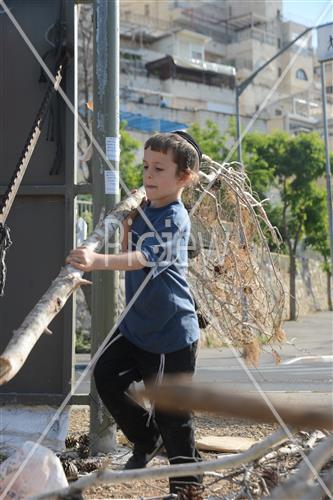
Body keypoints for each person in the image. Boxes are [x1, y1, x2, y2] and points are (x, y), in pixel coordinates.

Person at [66, 131, 203, 494]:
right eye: (145, 167)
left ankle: (187, 485)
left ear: (184, 178)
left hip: (170, 333)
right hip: (137, 326)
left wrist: (96, 261)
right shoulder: (146, 209)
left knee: (172, 412)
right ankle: (146, 439)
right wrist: (128, 222)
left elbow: (142, 258)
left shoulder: (175, 218)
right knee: (107, 375)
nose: (148, 176)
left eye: (159, 169)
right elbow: (131, 248)